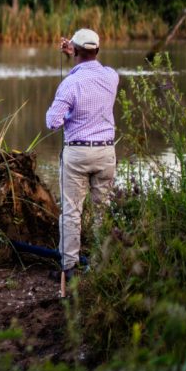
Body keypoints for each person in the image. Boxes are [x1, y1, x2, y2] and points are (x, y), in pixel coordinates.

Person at [45, 28, 119, 282]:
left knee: (72, 212)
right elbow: (91, 63)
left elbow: (52, 122)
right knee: (102, 211)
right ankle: (101, 265)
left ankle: (69, 269)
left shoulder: (70, 83)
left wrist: (68, 116)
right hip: (106, 152)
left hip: (77, 153)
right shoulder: (112, 77)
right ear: (97, 50)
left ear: (74, 51)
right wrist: (76, 51)